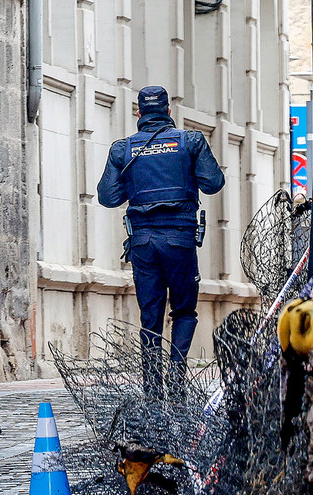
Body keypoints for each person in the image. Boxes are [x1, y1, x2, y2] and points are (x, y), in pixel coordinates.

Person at [97, 86, 225, 396]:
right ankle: (177, 381)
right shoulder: (190, 142)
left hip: (143, 243)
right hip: (180, 240)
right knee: (184, 311)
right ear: (169, 111)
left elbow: (108, 197)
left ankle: (153, 391)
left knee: (149, 316)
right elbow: (213, 183)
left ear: (138, 114)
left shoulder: (122, 150)